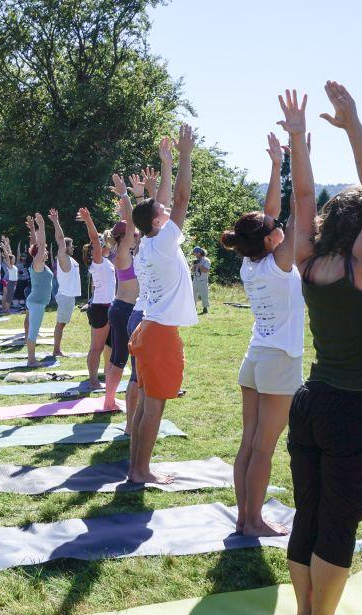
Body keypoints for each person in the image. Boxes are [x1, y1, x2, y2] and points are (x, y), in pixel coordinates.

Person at [279, 83, 362, 615]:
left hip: (311, 405)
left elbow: (303, 199)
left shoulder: (310, 263)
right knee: (338, 520)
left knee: (310, 510)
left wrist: (300, 140)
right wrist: (352, 126)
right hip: (357, 412)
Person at [220, 131, 305, 537]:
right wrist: (299, 154)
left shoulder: (251, 262)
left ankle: (244, 518)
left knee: (248, 444)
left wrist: (276, 165)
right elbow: (298, 212)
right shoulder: (279, 264)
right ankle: (253, 521)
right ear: (271, 239)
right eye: (274, 229)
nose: (278, 227)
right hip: (278, 362)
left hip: (255, 360)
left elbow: (271, 215)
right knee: (263, 449)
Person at [127, 123, 197, 485]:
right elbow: (181, 199)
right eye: (163, 212)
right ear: (157, 222)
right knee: (153, 406)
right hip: (158, 335)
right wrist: (185, 156)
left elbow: (165, 203)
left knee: (146, 403)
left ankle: (136, 468)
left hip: (149, 329)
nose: (169, 211)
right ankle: (141, 470)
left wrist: (166, 164)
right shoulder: (165, 242)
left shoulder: (148, 243)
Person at [102, 175, 140, 410]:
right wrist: (125, 196)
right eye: (133, 236)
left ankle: (109, 400)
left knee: (118, 357)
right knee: (120, 359)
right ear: (123, 239)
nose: (136, 237)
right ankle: (109, 401)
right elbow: (130, 223)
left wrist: (122, 211)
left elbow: (128, 225)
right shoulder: (123, 253)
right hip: (124, 309)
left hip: (121, 308)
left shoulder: (121, 251)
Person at [78, 208, 115, 390]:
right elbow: (94, 238)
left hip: (108, 306)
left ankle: (106, 376)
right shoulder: (98, 260)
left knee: (108, 346)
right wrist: (88, 219)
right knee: (96, 348)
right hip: (101, 308)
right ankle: (93, 380)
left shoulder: (105, 262)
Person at [47, 209, 80, 356]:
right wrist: (55, 222)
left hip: (69, 296)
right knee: (60, 324)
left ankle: (57, 349)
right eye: (71, 245)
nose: (73, 247)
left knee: (62, 324)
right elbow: (60, 239)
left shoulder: (70, 259)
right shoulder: (63, 257)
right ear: (65, 247)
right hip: (65, 296)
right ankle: (56, 350)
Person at [23, 214, 53, 366]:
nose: (46, 250)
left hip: (37, 302)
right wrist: (41, 225)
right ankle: (31, 360)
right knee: (33, 331)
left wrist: (34, 229)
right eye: (43, 250)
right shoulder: (38, 264)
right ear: (38, 254)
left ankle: (31, 358)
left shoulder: (39, 264)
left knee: (34, 329)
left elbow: (36, 244)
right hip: (36, 303)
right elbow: (40, 244)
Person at [191, 246, 211, 314]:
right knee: (193, 295)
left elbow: (206, 270)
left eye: (195, 253)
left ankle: (205, 308)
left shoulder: (206, 260)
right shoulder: (195, 260)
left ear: (199, 253)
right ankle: (193, 308)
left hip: (203, 281)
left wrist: (199, 266)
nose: (194, 255)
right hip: (195, 280)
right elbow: (192, 270)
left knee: (204, 295)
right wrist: (194, 266)